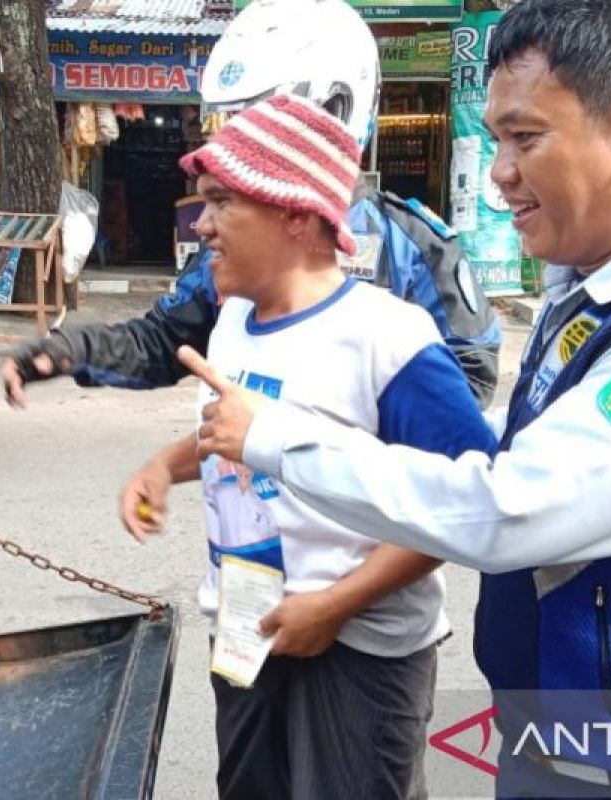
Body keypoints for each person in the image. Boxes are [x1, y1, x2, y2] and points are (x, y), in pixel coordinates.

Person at [180, 1, 611, 797]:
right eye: (496, 140)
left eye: (525, 138)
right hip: (575, 749)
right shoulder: (594, 298)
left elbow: (512, 507)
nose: (499, 172)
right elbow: (538, 447)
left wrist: (280, 438)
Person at [122, 94, 496, 800]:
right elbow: (233, 436)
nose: (200, 224)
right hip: (243, 622)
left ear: (295, 212)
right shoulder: (231, 323)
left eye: (221, 202)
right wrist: (162, 468)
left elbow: (466, 502)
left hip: (361, 646)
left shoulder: (390, 337)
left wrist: (336, 605)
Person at [3, 0, 501, 411]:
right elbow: (163, 342)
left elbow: (469, 386)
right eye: (234, 124)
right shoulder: (231, 254)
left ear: (333, 111)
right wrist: (74, 351)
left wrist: (312, 440)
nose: (208, 222)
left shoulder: (414, 250)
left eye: (258, 121)